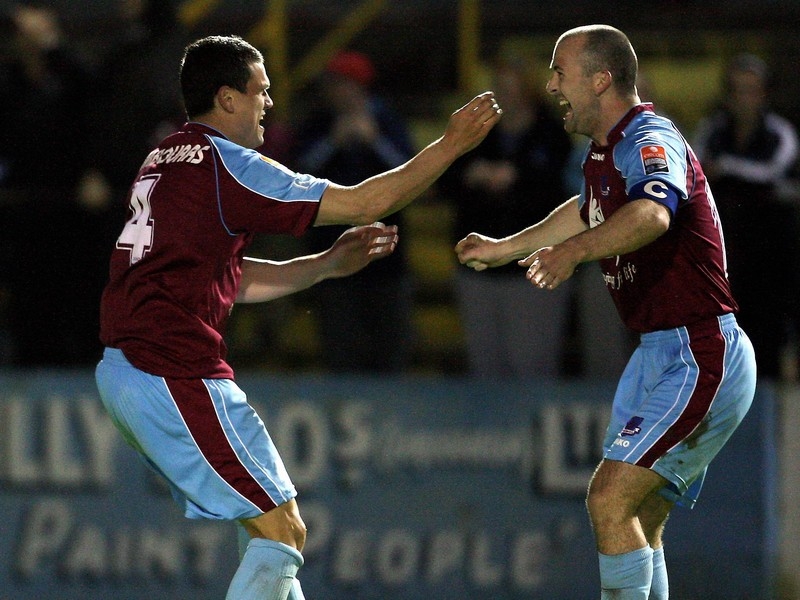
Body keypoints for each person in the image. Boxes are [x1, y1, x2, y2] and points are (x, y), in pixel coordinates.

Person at [94, 35, 501, 600]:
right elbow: (363, 203)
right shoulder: (227, 163)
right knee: (281, 531)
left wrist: (324, 267)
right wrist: (451, 145)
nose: (269, 104)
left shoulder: (166, 156)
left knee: (276, 529)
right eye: (260, 91)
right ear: (227, 98)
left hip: (137, 367)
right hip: (169, 369)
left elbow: (224, 280)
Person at [455, 25, 756, 599]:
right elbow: (586, 209)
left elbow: (652, 215)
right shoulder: (604, 150)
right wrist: (504, 248)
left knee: (609, 500)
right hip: (658, 354)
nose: (551, 85)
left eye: (559, 72)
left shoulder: (648, 135)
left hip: (700, 351)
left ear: (600, 78)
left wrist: (570, 255)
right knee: (638, 521)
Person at [438, 55, 573, 378]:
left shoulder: (552, 134)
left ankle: (534, 428)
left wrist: (517, 177)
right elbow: (443, 180)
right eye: (500, 90)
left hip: (532, 268)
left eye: (512, 89)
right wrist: (472, 174)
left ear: (529, 91)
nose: (507, 97)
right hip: (478, 267)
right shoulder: (477, 135)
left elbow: (562, 192)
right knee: (485, 363)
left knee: (532, 362)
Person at [295, 50, 416, 372]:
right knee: (340, 348)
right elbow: (295, 176)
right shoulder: (318, 122)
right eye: (332, 85)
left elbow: (413, 174)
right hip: (331, 253)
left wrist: (375, 141)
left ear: (359, 87)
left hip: (385, 255)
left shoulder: (386, 120)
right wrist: (332, 142)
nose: (334, 92)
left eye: (341, 84)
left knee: (389, 348)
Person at [693, 53, 800, 380]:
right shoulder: (712, 131)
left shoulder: (780, 132)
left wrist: (726, 168)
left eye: (752, 90)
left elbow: (773, 172)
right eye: (738, 90)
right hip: (723, 258)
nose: (744, 99)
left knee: (766, 340)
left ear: (765, 94)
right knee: (724, 343)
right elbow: (692, 170)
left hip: (771, 260)